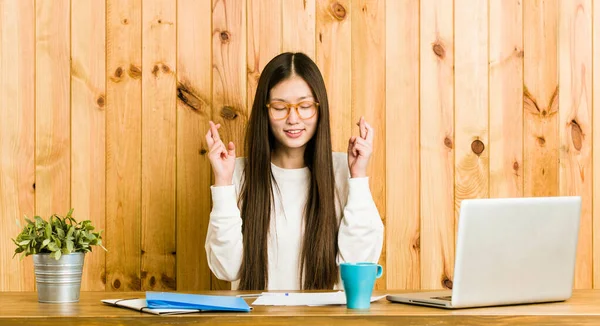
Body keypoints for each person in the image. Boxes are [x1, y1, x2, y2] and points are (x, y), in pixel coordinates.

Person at [204, 52, 383, 291]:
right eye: (279, 107)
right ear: (265, 112)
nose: (293, 118)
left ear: (319, 110)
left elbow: (359, 262)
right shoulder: (237, 173)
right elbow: (226, 269)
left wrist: (358, 177)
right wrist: (224, 184)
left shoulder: (343, 170)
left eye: (305, 106)